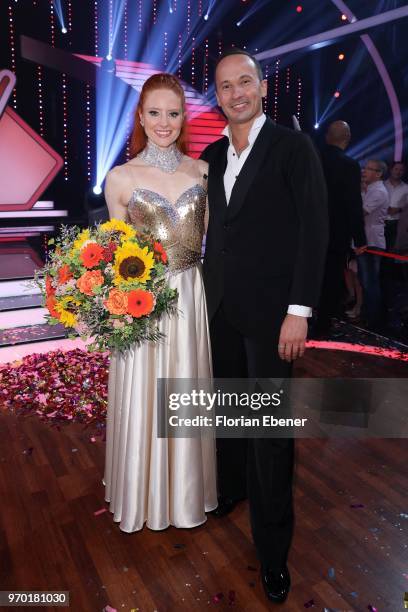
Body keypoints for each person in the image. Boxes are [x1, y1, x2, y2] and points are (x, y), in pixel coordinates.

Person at [201, 49, 328, 604]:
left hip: (274, 318)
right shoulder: (209, 154)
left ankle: (273, 553)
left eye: (244, 82)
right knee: (228, 413)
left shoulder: (292, 147)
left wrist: (298, 312)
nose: (236, 93)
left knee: (271, 436)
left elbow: (314, 232)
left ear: (262, 87)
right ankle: (230, 490)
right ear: (219, 95)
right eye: (226, 86)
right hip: (221, 310)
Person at [103, 73, 217, 532]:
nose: (164, 122)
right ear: (140, 117)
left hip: (192, 293)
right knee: (146, 394)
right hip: (144, 301)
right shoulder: (121, 178)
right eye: (155, 113)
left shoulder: (203, 172)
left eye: (173, 113)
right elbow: (112, 254)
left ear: (183, 116)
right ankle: (142, 493)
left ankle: (188, 493)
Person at [315, 120, 366, 332]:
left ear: (327, 137)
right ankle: (323, 324)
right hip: (336, 233)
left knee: (308, 276)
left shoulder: (314, 158)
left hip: (309, 230)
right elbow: (353, 203)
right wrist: (360, 238)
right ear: (348, 138)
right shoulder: (349, 165)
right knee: (331, 279)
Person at [358, 159, 389, 329]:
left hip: (372, 242)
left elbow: (361, 211)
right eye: (365, 168)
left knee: (370, 283)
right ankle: (367, 316)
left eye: (369, 169)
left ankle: (374, 322)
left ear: (379, 174)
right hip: (365, 239)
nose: (364, 171)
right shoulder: (368, 189)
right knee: (365, 281)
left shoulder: (379, 192)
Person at [384, 161, 408, 250]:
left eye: (401, 170)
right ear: (391, 170)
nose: (398, 172)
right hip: (379, 221)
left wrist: (399, 209)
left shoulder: (406, 188)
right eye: (396, 169)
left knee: (391, 250)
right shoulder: (382, 185)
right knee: (377, 249)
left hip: (396, 223)